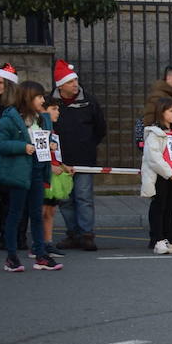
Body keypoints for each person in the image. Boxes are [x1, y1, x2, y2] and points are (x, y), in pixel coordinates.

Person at [0, 80, 61, 271]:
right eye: (39, 97)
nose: (42, 100)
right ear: (28, 97)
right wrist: (22, 147)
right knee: (15, 214)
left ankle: (41, 255)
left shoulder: (42, 118)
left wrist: (51, 144)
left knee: (37, 214)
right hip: (20, 172)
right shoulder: (11, 118)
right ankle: (11, 257)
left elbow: (45, 138)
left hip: (37, 170)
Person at [52, 59, 107, 252]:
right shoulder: (51, 103)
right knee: (65, 199)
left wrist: (88, 145)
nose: (75, 84)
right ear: (60, 85)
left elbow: (100, 128)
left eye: (75, 80)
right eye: (70, 81)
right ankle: (73, 234)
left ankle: (86, 235)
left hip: (84, 159)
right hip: (60, 161)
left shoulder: (89, 101)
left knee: (84, 197)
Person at [140, 98, 172, 255]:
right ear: (161, 112)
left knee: (171, 208)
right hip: (161, 177)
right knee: (159, 207)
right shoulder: (154, 134)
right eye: (170, 111)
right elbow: (154, 158)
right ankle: (158, 240)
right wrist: (170, 174)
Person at [0, 64, 22, 251]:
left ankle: (6, 236)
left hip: (10, 157)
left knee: (8, 199)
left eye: (1, 82)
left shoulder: (18, 107)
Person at [40, 98, 72, 257]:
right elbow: (39, 155)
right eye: (53, 109)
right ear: (43, 111)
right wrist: (50, 167)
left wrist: (63, 165)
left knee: (50, 211)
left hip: (54, 175)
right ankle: (39, 244)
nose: (57, 112)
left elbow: (55, 155)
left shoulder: (53, 132)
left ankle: (48, 242)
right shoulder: (40, 130)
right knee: (41, 211)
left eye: (57, 109)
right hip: (44, 175)